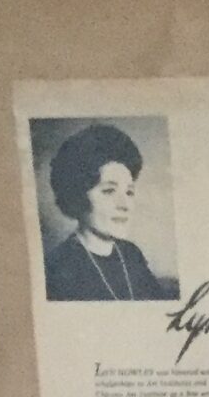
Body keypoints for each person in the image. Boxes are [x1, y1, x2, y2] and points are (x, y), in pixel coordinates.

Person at [41, 123, 177, 301]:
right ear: (78, 195)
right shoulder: (57, 267)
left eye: (129, 192)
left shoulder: (131, 254)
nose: (124, 205)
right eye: (109, 191)